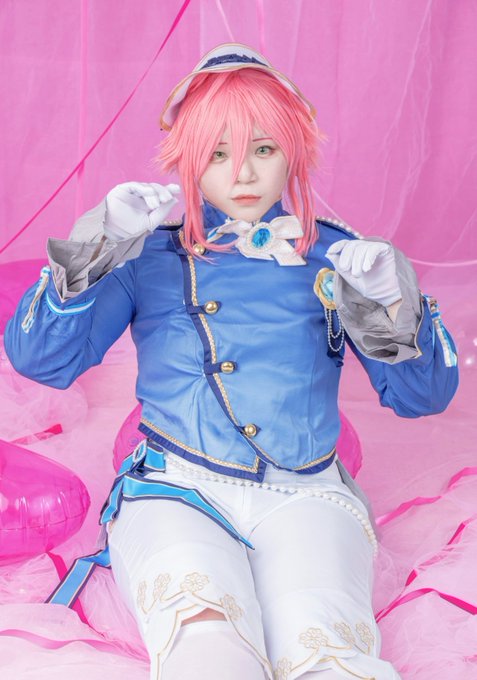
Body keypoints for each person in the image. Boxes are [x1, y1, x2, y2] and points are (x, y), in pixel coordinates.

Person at [4, 43, 458, 680]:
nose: (242, 173)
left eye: (262, 149)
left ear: (293, 151)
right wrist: (101, 242)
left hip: (308, 492)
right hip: (175, 488)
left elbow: (422, 397)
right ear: (188, 159)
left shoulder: (340, 256)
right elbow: (41, 361)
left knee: (324, 650)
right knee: (206, 648)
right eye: (217, 154)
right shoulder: (145, 253)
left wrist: (393, 302)